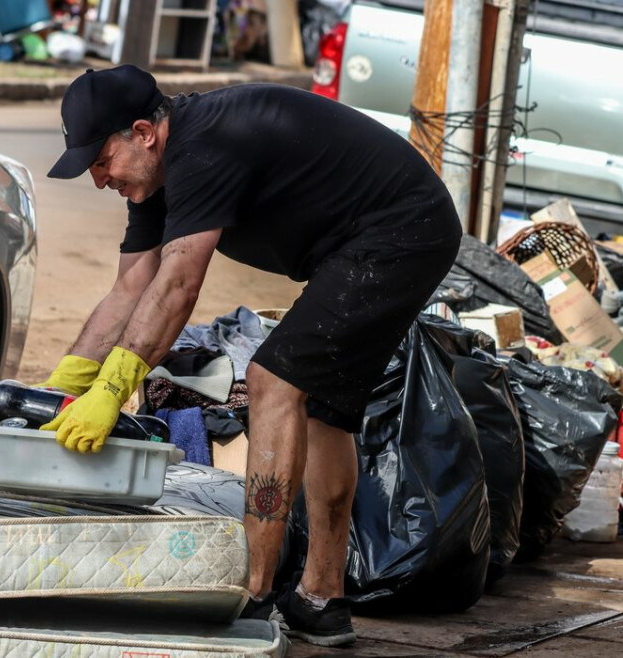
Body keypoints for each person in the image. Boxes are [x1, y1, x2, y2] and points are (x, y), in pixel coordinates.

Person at [38, 65, 461, 647]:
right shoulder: (153, 177)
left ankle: (254, 593)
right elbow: (129, 290)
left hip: (402, 229)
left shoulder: (206, 146)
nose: (98, 179)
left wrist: (111, 392)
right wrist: (62, 388)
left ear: (143, 132)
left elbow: (178, 288)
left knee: (274, 379)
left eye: (100, 160)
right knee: (325, 411)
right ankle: (321, 599)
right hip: (368, 240)